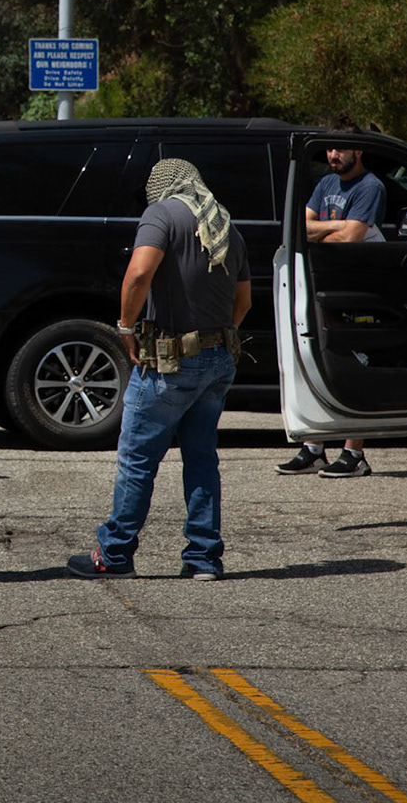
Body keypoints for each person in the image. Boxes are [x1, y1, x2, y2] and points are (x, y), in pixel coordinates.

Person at [69, 157, 252, 581]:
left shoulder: (162, 214)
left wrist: (126, 328)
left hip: (170, 364)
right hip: (219, 360)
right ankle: (204, 559)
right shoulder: (224, 223)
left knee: (137, 461)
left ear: (163, 186)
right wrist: (213, 342)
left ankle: (114, 555)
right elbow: (243, 304)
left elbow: (138, 274)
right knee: (202, 459)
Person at [276, 140, 387, 480]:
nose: (332, 155)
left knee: (357, 363)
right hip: (325, 285)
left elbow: (352, 237)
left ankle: (354, 453)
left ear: (359, 151)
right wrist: (336, 227)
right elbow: (300, 226)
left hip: (360, 288)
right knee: (318, 359)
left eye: (340, 149)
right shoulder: (326, 183)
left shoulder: (371, 186)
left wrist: (330, 232)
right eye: (329, 150)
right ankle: (314, 449)